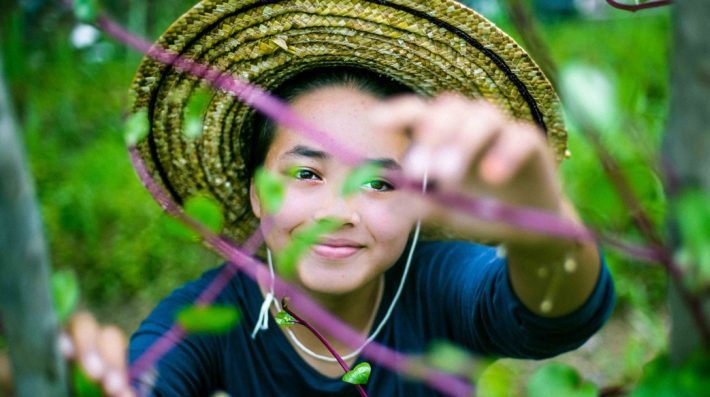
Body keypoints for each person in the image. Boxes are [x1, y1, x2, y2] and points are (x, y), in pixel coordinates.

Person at [65, 0, 615, 396]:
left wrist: (538, 222)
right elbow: (149, 377)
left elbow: (556, 317)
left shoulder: (438, 286)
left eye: (380, 184)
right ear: (258, 194)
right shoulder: (209, 316)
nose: (336, 212)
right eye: (306, 174)